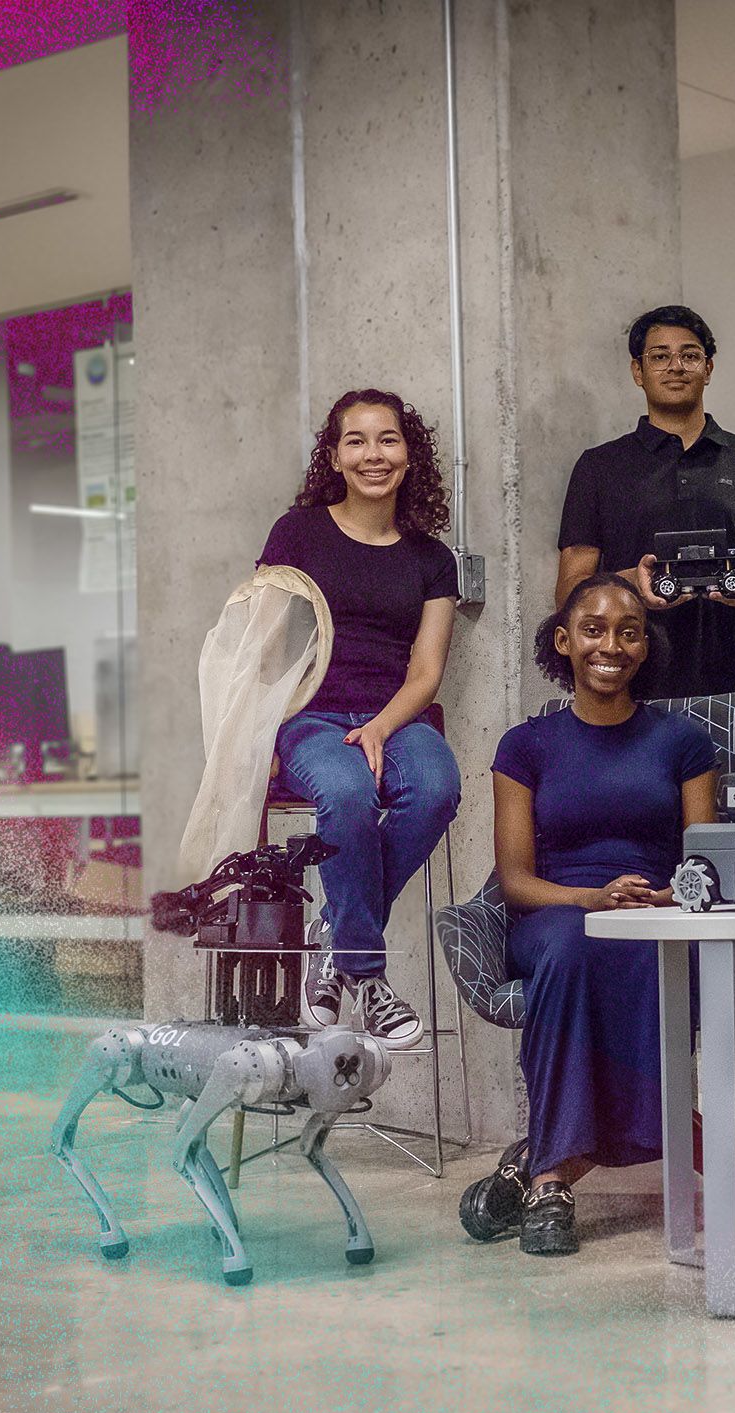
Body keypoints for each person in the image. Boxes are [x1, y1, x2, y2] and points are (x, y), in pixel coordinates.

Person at [555, 304, 735, 1145]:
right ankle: (646, 1082)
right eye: (658, 355)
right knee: (642, 874)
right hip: (633, 704)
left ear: (709, 365)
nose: (674, 366)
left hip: (732, 698)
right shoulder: (600, 468)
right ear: (636, 370)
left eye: (689, 353)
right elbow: (569, 588)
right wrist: (630, 586)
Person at [465, 574, 720, 1256]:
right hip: (556, 911)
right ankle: (556, 1167)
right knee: (574, 947)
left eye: (629, 632)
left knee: (649, 949)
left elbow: (705, 862)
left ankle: (545, 1173)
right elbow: (515, 881)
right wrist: (589, 899)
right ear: (564, 641)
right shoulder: (524, 746)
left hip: (654, 910)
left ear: (646, 646)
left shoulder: (684, 743)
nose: (612, 645)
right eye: (594, 629)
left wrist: (669, 897)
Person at [261, 387, 462, 1048]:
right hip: (311, 714)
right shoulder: (297, 533)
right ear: (335, 456)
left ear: (409, 453)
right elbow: (260, 642)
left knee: (435, 789)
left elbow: (426, 671)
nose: (373, 454)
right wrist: (258, 733)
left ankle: (337, 938)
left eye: (388, 439)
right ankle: (368, 976)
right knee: (347, 793)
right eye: (356, 440)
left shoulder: (432, 559)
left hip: (395, 716)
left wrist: (378, 727)